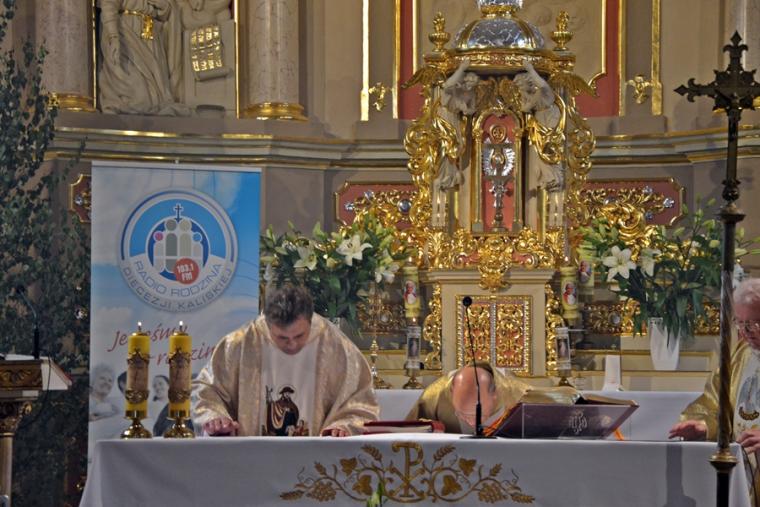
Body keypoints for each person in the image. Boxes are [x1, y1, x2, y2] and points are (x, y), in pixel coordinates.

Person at [192, 285, 379, 437]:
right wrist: (215, 416)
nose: (292, 344)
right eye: (282, 338)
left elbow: (360, 397)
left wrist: (343, 424)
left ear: (310, 321)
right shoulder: (240, 344)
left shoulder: (334, 345)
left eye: (299, 336)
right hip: (252, 457)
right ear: (268, 324)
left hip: (317, 460)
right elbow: (207, 389)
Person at [669, 279, 760, 504]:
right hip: (744, 474)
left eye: (755, 323)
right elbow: (714, 404)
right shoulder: (740, 356)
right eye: (740, 323)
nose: (746, 332)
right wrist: (705, 425)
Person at [99, 0, 191, 115]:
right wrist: (113, 35)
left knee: (156, 90)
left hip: (152, 35)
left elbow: (166, 11)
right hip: (126, 31)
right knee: (138, 92)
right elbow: (108, 5)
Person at [406, 363, 530, 434]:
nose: (472, 424)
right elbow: (410, 437)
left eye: (478, 416)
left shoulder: (520, 396)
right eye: (462, 415)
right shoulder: (434, 397)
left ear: (495, 395)